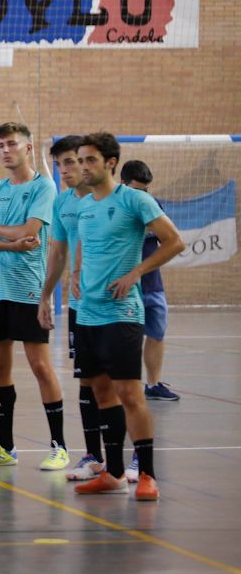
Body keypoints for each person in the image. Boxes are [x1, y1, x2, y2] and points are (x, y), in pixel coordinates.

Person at [40, 133, 184, 502]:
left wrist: (137, 272)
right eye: (80, 160)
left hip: (123, 314)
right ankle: (114, 473)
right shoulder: (84, 207)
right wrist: (75, 276)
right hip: (87, 314)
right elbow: (84, 248)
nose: (83, 167)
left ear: (110, 163)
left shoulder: (135, 199)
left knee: (130, 394)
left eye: (90, 160)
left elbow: (174, 241)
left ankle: (147, 474)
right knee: (101, 392)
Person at [0, 123, 66, 470]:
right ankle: (5, 446)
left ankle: (59, 445)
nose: (5, 150)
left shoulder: (44, 187)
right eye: (0, 145)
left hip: (29, 290)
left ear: (28, 148)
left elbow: (31, 231)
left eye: (12, 144)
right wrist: (6, 239)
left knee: (40, 366)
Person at [41, 136, 104, 481]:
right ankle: (93, 455)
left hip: (113, 306)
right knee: (86, 381)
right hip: (80, 307)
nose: (65, 170)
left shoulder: (111, 199)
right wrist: (45, 296)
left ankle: (134, 459)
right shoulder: (63, 204)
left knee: (119, 384)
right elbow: (58, 253)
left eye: (71, 162)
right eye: (61, 163)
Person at [120, 160, 179, 404]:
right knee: (124, 338)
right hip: (123, 286)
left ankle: (153, 384)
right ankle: (122, 386)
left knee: (157, 333)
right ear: (123, 185)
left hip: (152, 285)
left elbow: (171, 241)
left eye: (145, 191)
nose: (142, 196)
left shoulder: (153, 207)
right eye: (136, 191)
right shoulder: (115, 210)